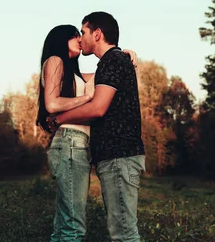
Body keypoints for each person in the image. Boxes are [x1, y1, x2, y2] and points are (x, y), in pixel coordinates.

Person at [48, 12, 146, 242]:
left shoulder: (112, 61)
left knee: (124, 233)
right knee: (122, 230)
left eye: (83, 32)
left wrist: (60, 119)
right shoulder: (111, 63)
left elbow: (97, 108)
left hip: (119, 156)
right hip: (114, 157)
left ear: (97, 34)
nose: (81, 38)